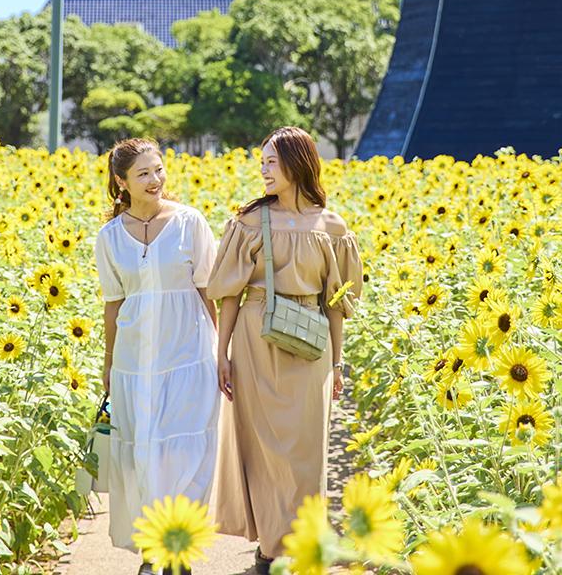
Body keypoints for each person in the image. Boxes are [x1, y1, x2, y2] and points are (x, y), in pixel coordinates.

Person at [207, 126, 364, 573]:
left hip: (311, 345)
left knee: (306, 452)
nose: (264, 170)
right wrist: (223, 354)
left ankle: (300, 538)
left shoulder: (332, 226)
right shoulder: (250, 220)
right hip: (256, 340)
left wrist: (338, 362)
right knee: (263, 449)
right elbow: (230, 294)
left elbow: (337, 304)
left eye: (271, 162)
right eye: (262, 162)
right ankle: (272, 549)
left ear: (298, 163)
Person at [95, 138, 221, 575]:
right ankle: (153, 551)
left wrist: (222, 353)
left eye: (159, 169)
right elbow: (113, 303)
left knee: (188, 452)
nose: (155, 180)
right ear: (122, 182)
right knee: (142, 454)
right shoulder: (109, 237)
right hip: (134, 362)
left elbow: (210, 292)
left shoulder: (190, 223)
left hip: (189, 355)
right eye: (144, 173)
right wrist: (108, 364)